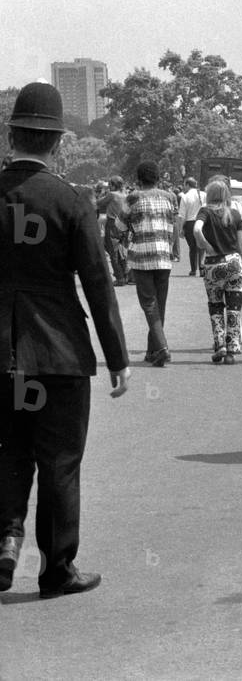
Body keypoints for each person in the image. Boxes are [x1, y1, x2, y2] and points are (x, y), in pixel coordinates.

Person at [0, 82, 130, 599]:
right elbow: (97, 284)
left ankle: (5, 540)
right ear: (57, 145)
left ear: (11, 135)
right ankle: (56, 568)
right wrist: (118, 356)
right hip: (59, 353)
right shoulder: (73, 200)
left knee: (7, 451)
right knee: (59, 461)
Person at [193, 179, 242, 364]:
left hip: (213, 265)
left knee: (216, 306)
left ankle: (220, 345)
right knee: (234, 308)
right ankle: (232, 350)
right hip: (234, 263)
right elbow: (241, 244)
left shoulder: (205, 212)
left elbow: (196, 229)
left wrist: (206, 245)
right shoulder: (234, 214)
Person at [126, 161, 177, 366]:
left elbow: (121, 224)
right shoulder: (170, 197)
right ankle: (152, 351)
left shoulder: (133, 198)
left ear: (139, 179)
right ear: (158, 177)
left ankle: (162, 347)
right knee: (159, 304)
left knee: (149, 303)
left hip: (142, 257)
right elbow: (174, 224)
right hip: (164, 256)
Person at [97, 175, 129, 285]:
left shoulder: (111, 195)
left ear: (113, 185)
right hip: (123, 225)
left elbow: (99, 203)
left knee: (112, 251)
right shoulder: (125, 195)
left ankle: (119, 277)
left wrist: (102, 193)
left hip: (112, 224)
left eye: (110, 184)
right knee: (121, 251)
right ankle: (125, 274)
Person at [179, 177, 206, 276]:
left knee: (193, 247)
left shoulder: (185, 197)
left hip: (190, 223)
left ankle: (193, 270)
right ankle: (202, 268)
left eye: (184, 185)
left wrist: (181, 228)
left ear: (187, 185)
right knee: (202, 247)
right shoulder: (204, 195)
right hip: (202, 222)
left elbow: (182, 215)